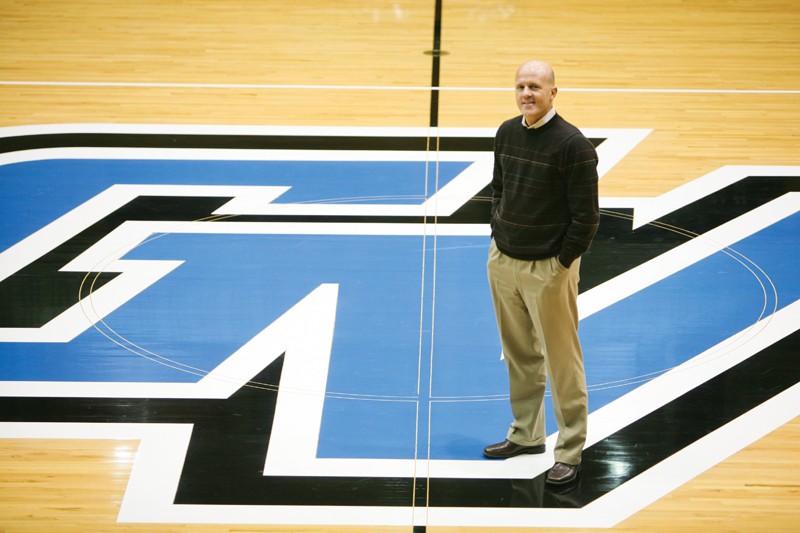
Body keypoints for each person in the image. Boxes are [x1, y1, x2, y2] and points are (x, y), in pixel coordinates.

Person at [482, 60, 599, 487]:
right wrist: (498, 237)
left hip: (548, 269)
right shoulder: (507, 132)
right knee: (519, 354)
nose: (526, 93)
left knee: (562, 362)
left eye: (535, 86)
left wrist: (561, 264)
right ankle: (526, 434)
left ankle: (570, 450)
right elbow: (499, 187)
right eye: (520, 86)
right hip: (504, 261)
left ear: (553, 92)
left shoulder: (574, 146)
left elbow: (587, 218)